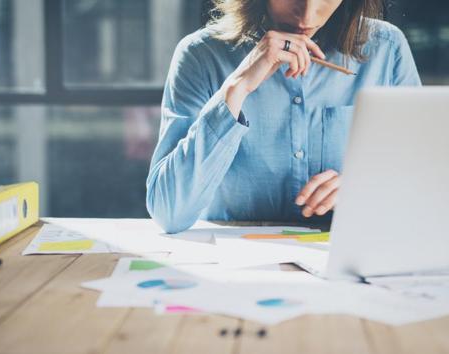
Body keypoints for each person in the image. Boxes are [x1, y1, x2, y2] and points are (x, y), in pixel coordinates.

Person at [146, 0, 421, 233]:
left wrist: (367, 187)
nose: (307, 15)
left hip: (345, 264)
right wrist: (237, 88)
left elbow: (423, 185)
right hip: (234, 270)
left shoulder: (387, 49)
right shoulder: (200, 56)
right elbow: (168, 212)